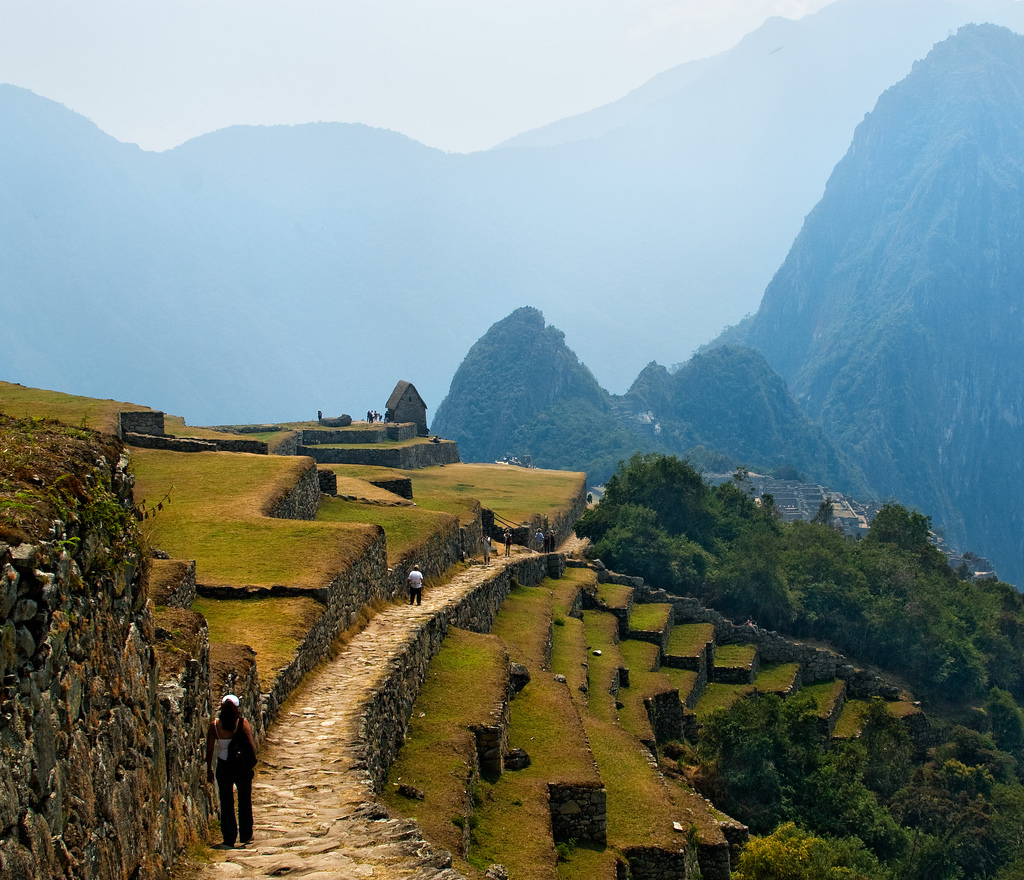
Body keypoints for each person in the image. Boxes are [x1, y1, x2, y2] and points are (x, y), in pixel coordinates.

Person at [206, 694, 257, 848]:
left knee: (226, 801)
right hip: (241, 766)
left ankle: (229, 837)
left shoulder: (214, 726)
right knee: (244, 799)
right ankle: (246, 834)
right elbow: (251, 746)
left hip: (223, 766)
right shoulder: (242, 723)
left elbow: (209, 751)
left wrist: (209, 769)